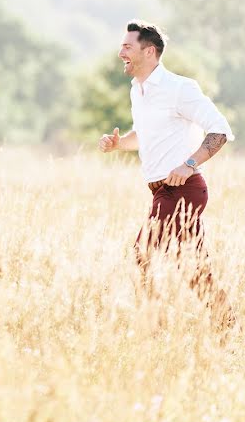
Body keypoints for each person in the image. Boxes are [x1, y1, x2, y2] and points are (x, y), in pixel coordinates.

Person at [99, 20, 234, 326]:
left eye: (127, 46)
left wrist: (189, 164)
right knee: (193, 268)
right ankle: (227, 325)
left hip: (183, 189)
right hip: (161, 191)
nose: (120, 52)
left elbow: (220, 131)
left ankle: (154, 326)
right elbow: (144, 136)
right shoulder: (138, 90)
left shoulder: (179, 88)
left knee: (141, 252)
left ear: (149, 51)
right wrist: (119, 144)